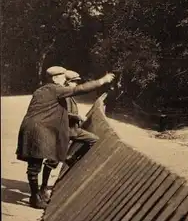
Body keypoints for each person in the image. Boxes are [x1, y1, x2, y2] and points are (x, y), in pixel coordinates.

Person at [16, 66, 115, 209]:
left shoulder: (40, 90)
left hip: (32, 128)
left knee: (34, 166)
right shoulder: (55, 89)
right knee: (35, 166)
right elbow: (79, 89)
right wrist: (102, 81)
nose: (65, 79)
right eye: (63, 77)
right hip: (39, 130)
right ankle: (35, 198)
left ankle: (35, 196)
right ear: (55, 78)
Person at [38, 70, 101, 203]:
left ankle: (69, 157)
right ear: (67, 82)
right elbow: (59, 114)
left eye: (77, 82)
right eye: (74, 82)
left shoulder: (70, 94)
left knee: (93, 140)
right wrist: (76, 116)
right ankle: (43, 188)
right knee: (52, 161)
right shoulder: (62, 94)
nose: (76, 84)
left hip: (73, 130)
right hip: (61, 131)